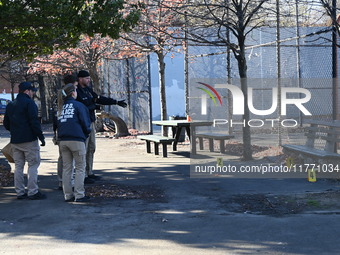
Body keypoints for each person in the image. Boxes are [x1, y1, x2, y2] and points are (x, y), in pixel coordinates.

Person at [76, 70, 127, 183]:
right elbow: (81, 107)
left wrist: (115, 102)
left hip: (91, 122)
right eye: (86, 78)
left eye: (89, 78)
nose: (89, 80)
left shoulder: (88, 90)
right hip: (82, 124)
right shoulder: (76, 91)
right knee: (83, 149)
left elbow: (98, 98)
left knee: (91, 148)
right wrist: (93, 106)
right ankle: (82, 175)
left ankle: (89, 172)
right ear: (80, 79)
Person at [3, 82, 46, 200]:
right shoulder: (29, 103)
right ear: (27, 91)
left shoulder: (11, 104)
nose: (33, 93)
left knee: (18, 166)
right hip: (29, 139)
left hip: (15, 140)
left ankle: (20, 192)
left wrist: (14, 131)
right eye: (32, 91)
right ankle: (33, 191)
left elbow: (6, 123)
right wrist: (41, 137)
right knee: (33, 165)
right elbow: (34, 122)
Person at [57, 83, 91, 202]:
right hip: (77, 139)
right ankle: (79, 194)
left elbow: (56, 124)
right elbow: (85, 123)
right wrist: (87, 133)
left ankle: (68, 195)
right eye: (76, 91)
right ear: (73, 93)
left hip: (63, 140)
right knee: (80, 168)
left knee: (67, 168)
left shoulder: (60, 107)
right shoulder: (79, 106)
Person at [53, 74, 78, 189]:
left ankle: (61, 181)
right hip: (71, 133)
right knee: (70, 161)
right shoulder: (71, 101)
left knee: (62, 159)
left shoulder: (59, 96)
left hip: (60, 132)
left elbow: (55, 118)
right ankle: (70, 183)